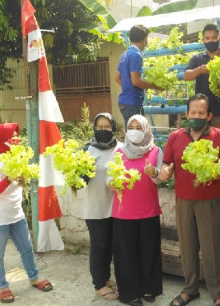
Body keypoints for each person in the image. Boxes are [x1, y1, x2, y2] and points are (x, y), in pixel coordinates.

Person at [161, 94, 220, 306]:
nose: (197, 116)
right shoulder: (175, 137)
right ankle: (190, 289)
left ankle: (218, 293)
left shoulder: (219, 136)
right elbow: (166, 164)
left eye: (201, 113)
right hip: (183, 199)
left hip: (210, 199)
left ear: (209, 116)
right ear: (187, 114)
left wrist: (214, 172)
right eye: (193, 112)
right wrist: (164, 171)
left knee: (212, 246)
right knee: (187, 246)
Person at [0, 123, 53, 304]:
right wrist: (9, 179)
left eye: (17, 136)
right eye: (12, 137)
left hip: (16, 214)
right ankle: (3, 287)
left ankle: (33, 278)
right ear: (1, 140)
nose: (16, 140)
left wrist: (23, 177)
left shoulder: (15, 156)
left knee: (26, 248)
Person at [108, 115, 164, 306]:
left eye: (138, 127)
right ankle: (129, 292)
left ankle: (150, 287)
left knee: (149, 252)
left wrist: (154, 173)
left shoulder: (156, 151)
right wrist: (111, 184)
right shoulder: (119, 152)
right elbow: (109, 178)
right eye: (131, 127)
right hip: (123, 213)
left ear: (146, 130)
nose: (134, 130)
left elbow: (159, 179)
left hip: (148, 210)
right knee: (125, 255)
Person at [82, 113, 122, 300]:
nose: (103, 130)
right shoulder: (87, 150)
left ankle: (105, 278)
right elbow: (77, 180)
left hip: (116, 207)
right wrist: (80, 176)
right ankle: (98, 284)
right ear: (95, 128)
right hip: (95, 206)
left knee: (110, 245)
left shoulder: (120, 148)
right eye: (100, 127)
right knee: (98, 246)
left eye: (107, 127)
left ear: (113, 128)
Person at [183, 23, 220, 133]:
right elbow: (186, 75)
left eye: (213, 37)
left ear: (219, 38)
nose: (210, 41)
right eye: (207, 38)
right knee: (199, 141)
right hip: (201, 111)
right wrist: (199, 70)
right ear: (203, 40)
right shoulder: (197, 59)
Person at [115, 24, 161, 129]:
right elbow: (135, 81)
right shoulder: (136, 55)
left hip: (124, 100)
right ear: (144, 38)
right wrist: (154, 86)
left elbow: (117, 78)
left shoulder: (125, 54)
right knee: (136, 134)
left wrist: (127, 87)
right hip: (132, 102)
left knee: (133, 133)